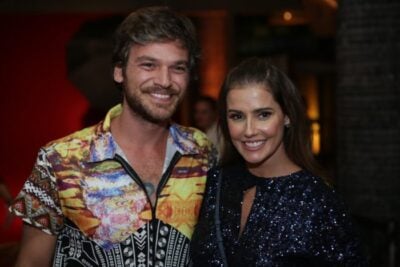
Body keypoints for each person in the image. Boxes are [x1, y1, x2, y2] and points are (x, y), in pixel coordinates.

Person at [9, 6, 217, 267]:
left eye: (178, 68)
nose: (165, 80)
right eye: (149, 65)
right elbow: (30, 262)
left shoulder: (203, 152)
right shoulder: (59, 161)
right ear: (119, 71)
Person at [190, 58, 367, 266]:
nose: (249, 130)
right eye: (237, 116)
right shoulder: (214, 183)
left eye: (263, 115)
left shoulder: (319, 202)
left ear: (287, 116)